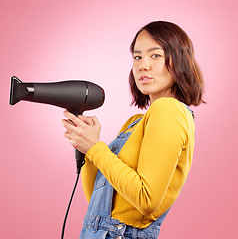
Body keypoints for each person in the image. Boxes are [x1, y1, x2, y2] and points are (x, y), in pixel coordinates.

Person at [62, 21, 204, 239]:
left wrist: (96, 147)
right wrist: (88, 149)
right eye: (137, 57)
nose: (142, 65)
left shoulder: (168, 110)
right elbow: (99, 203)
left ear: (179, 60)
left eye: (155, 55)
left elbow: (146, 200)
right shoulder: (136, 122)